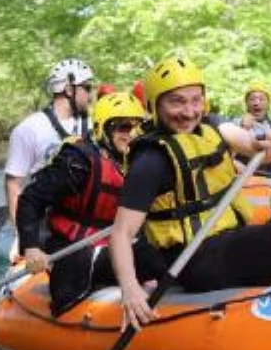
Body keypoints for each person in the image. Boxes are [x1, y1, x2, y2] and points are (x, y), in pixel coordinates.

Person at [111, 57, 271, 329]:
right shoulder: (151, 159)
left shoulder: (209, 125)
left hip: (224, 240)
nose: (188, 111)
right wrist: (130, 288)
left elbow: (247, 141)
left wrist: (265, 143)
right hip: (194, 259)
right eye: (177, 101)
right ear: (153, 105)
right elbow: (121, 233)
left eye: (195, 100)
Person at [16, 92, 165, 316]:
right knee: (68, 293)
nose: (132, 134)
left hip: (117, 245)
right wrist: (30, 246)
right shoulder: (77, 161)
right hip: (73, 246)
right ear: (102, 129)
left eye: (138, 127)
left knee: (161, 256)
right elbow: (30, 199)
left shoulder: (143, 163)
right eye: (123, 127)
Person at [3, 58, 96, 231]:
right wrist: (21, 235)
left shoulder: (94, 125)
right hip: (45, 224)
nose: (90, 96)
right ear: (69, 89)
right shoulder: (28, 129)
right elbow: (14, 184)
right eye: (87, 88)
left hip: (85, 222)